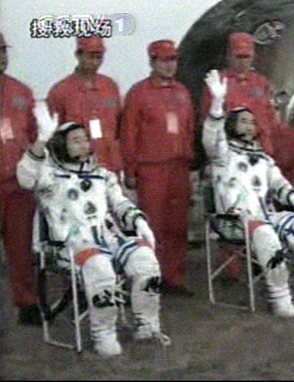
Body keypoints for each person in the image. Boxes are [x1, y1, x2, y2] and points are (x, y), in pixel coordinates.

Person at [17, 105, 170, 356]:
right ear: (61, 145)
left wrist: (139, 222)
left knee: (146, 261)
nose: (83, 144)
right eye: (75, 140)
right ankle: (103, 333)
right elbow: (25, 178)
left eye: (85, 139)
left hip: (107, 240)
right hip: (68, 246)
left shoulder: (102, 175)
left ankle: (147, 324)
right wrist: (41, 139)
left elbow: (120, 203)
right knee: (99, 267)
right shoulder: (50, 176)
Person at [202, 70, 294, 317]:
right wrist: (217, 105)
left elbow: (280, 184)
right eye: (243, 121)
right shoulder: (222, 155)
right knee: (265, 234)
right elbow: (211, 138)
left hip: (264, 217)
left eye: (252, 122)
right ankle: (279, 296)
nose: (249, 126)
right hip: (233, 221)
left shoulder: (262, 158)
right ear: (231, 125)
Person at [201, 32, 294, 280]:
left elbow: (270, 118)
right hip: (228, 157)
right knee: (233, 204)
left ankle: (264, 262)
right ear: (229, 56)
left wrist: (267, 148)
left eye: (247, 56)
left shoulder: (261, 83)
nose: (243, 61)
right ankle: (232, 271)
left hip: (258, 151)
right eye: (238, 56)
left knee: (262, 203)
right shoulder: (219, 84)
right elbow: (208, 123)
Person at [120, 40, 195, 296]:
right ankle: (149, 278)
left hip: (179, 168)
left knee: (177, 226)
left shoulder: (182, 92)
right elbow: (129, 133)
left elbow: (189, 128)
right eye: (164, 60)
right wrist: (130, 170)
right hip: (151, 169)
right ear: (152, 62)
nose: (169, 65)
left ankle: (173, 278)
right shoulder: (139, 93)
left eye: (173, 59)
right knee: (152, 225)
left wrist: (189, 161)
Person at [0, 32, 41, 325]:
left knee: (21, 247)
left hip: (17, 184)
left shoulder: (21, 91)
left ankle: (26, 302)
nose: (2, 57)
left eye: (3, 51)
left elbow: (34, 133)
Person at [47, 36, 122, 174]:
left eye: (99, 57)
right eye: (90, 56)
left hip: (110, 166)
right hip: (77, 169)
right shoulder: (60, 91)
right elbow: (54, 135)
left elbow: (119, 128)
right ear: (78, 55)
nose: (95, 62)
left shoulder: (110, 87)